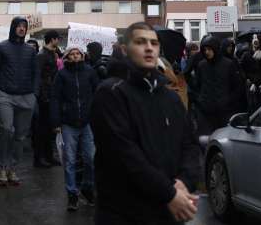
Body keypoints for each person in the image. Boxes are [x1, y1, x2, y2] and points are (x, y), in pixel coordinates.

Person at [90, 23, 199, 224]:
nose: (149, 48)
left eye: (154, 43)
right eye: (140, 42)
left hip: (168, 213)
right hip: (124, 214)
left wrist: (184, 182)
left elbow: (190, 144)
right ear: (124, 49)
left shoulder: (170, 98)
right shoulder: (111, 93)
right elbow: (124, 155)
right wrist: (169, 194)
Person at [0, 16, 39, 187]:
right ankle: (2, 167)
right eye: (19, 26)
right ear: (13, 27)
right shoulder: (1, 47)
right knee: (7, 130)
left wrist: (34, 94)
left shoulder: (30, 50)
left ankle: (12, 168)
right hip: (5, 95)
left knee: (20, 136)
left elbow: (36, 74)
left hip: (26, 97)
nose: (22, 29)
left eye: (24, 26)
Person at [51, 45, 99, 211]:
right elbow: (55, 98)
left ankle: (87, 187)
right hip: (68, 122)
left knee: (90, 158)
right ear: (67, 57)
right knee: (70, 160)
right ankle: (72, 194)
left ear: (82, 55)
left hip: (87, 121)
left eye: (78, 53)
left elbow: (98, 93)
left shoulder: (90, 72)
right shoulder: (62, 75)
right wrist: (56, 122)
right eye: (72, 54)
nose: (75, 56)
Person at [192, 36, 243, 137]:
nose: (207, 52)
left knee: (223, 138)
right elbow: (197, 86)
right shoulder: (202, 65)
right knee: (207, 139)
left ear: (215, 48)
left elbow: (238, 87)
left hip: (224, 112)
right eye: (205, 50)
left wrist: (228, 101)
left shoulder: (228, 64)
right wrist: (201, 101)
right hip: (206, 112)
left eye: (209, 49)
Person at [34, 29, 61, 168]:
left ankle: (49, 156)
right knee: (42, 128)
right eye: (57, 38)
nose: (59, 41)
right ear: (53, 39)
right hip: (44, 96)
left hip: (50, 94)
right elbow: (38, 76)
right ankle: (39, 158)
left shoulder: (51, 53)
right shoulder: (42, 55)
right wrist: (42, 95)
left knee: (49, 127)